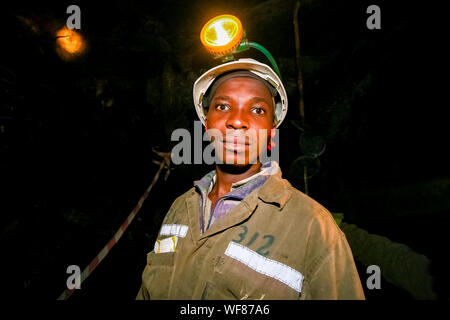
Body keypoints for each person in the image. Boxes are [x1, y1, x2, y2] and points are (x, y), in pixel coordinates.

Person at [136, 58, 365, 300]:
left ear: (271, 131)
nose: (237, 120)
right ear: (206, 123)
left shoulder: (312, 227)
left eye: (257, 110)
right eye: (223, 106)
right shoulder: (180, 208)